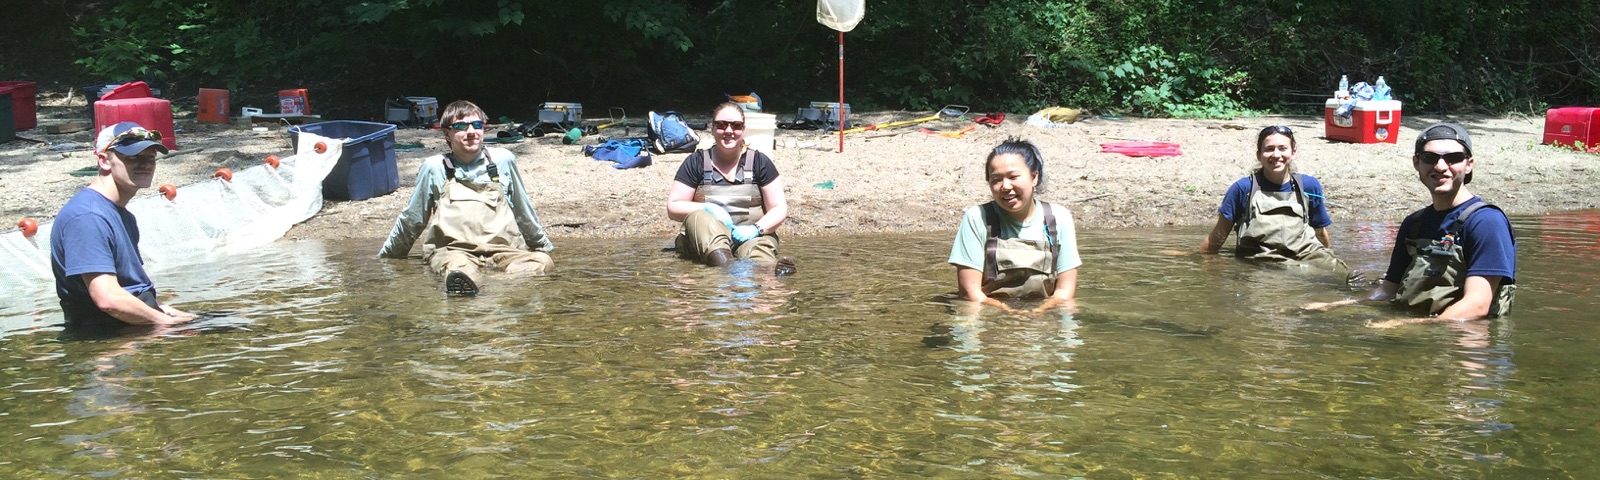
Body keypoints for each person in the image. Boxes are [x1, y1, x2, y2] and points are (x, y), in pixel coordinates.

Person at [1305, 123, 1516, 327]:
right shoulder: (1414, 223)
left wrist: (1406, 324)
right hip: (1419, 327)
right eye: (1429, 158)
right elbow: (1387, 291)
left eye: (1453, 158)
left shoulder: (1487, 222)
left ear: (1469, 164)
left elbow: (1477, 306)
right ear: (1417, 163)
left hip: (1463, 340)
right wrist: (1335, 305)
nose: (1441, 166)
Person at [378, 100, 554, 296]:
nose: (471, 132)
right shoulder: (434, 167)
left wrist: (542, 247)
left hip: (502, 251)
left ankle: (488, 287)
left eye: (477, 125)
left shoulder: (503, 160)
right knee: (458, 270)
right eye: (461, 127)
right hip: (454, 252)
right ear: (447, 134)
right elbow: (413, 217)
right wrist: (389, 258)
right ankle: (476, 287)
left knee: (541, 262)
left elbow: (523, 209)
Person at [50, 121, 194, 326]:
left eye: (150, 157)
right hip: (109, 339)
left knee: (233, 322)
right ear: (104, 160)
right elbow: (108, 299)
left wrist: (162, 310)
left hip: (134, 327)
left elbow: (129, 287)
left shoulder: (120, 214)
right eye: (133, 157)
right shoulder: (88, 217)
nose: (145, 164)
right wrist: (165, 324)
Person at [947, 139, 1082, 314]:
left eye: (1013, 177)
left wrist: (1038, 313)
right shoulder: (977, 217)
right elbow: (970, 294)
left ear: (1034, 177)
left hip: (1043, 314)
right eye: (996, 179)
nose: (1005, 186)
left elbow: (1064, 293)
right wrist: (1009, 314)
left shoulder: (1058, 218)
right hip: (989, 311)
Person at [1200, 125, 1345, 272]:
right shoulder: (1243, 189)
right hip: (1263, 262)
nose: (1276, 155)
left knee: (1346, 277)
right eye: (1269, 149)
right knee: (1298, 273)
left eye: (1282, 148)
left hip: (1304, 256)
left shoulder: (1309, 186)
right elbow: (1217, 237)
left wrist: (1328, 261)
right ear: (1259, 154)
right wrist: (1202, 262)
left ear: (1293, 152)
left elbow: (1320, 231)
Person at [665, 102, 791, 270]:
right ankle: (726, 265)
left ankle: (769, 272)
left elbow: (778, 208)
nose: (729, 131)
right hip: (707, 239)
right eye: (721, 125)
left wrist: (756, 229)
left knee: (760, 253)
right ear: (712, 128)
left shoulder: (760, 162)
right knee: (698, 217)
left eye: (736, 126)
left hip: (749, 237)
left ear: (743, 130)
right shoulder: (696, 162)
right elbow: (673, 206)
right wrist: (707, 207)